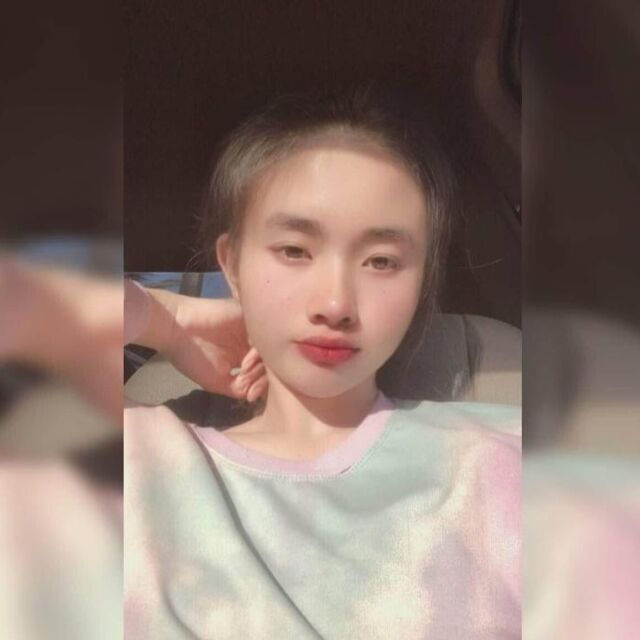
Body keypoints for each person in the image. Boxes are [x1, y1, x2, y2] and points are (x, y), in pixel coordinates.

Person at [124, 89, 521, 639]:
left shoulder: (504, 460)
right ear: (231, 264)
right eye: (294, 251)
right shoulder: (136, 456)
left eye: (381, 261)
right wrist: (161, 318)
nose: (335, 304)